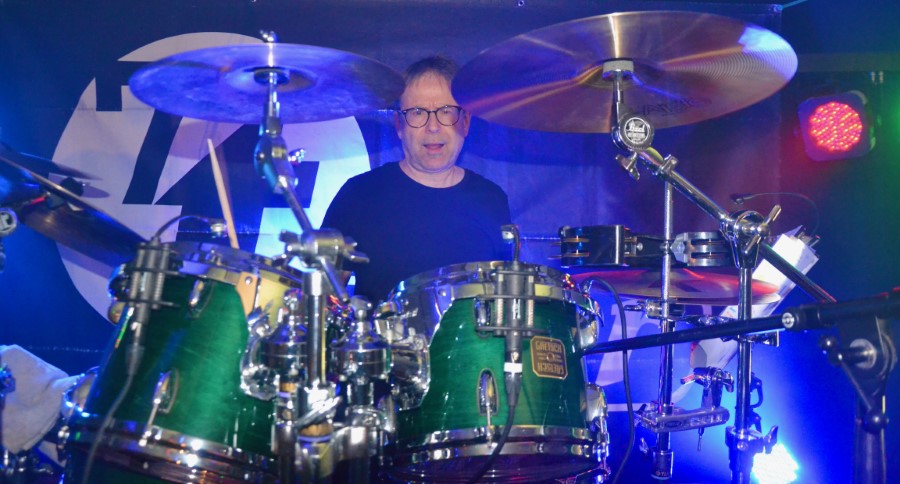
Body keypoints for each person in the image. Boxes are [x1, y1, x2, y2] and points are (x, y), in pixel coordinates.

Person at [322, 56, 512, 303]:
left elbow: (504, 299)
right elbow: (324, 300)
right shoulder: (358, 194)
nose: (433, 126)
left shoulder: (491, 199)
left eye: (446, 111)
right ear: (399, 125)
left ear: (466, 122)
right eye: (418, 112)